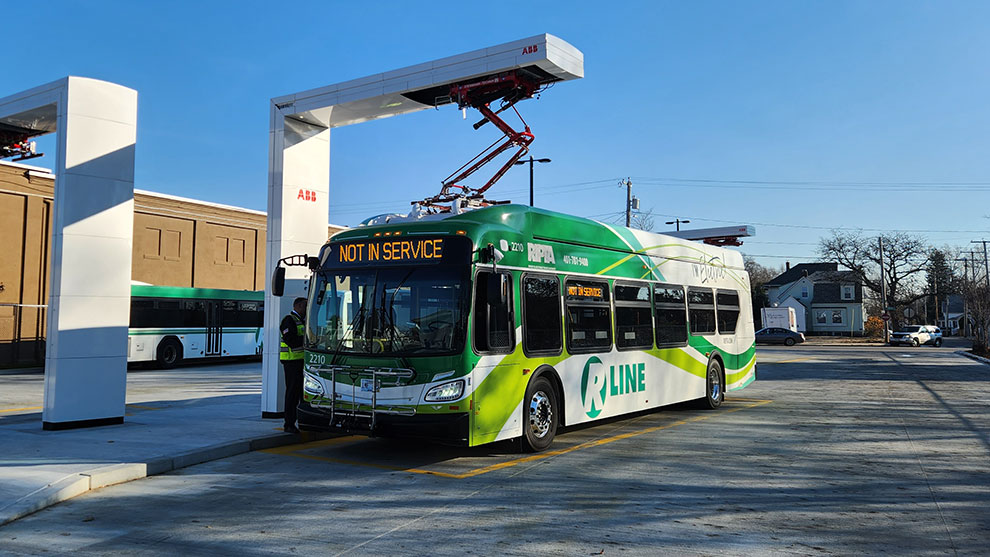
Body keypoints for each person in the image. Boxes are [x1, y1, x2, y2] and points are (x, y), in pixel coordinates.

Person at [279, 297, 307, 433]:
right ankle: (289, 424)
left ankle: (303, 421)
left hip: (302, 362)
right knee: (292, 394)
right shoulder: (288, 320)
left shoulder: (303, 321)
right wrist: (308, 340)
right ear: (299, 306)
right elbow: (290, 340)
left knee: (303, 394)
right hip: (291, 363)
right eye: (306, 306)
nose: (307, 309)